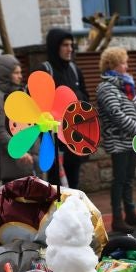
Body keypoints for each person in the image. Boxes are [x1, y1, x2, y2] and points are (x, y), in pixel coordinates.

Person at [96, 46, 136, 234]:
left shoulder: (126, 85)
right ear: (112, 65)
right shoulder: (106, 87)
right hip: (118, 141)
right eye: (123, 63)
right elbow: (116, 115)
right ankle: (117, 218)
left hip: (130, 140)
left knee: (128, 179)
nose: (127, 66)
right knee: (119, 179)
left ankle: (130, 213)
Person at [40, 28, 90, 190]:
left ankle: (72, 215)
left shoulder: (75, 70)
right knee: (56, 188)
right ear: (55, 47)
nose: (70, 49)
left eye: (71, 45)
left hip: (74, 137)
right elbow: (38, 106)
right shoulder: (45, 71)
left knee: (74, 185)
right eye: (65, 45)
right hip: (54, 141)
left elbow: (86, 99)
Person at [0, 53, 34, 185]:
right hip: (11, 164)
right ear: (5, 74)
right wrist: (19, 150)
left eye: (20, 72)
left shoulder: (20, 93)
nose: (20, 76)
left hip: (27, 161)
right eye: (16, 73)